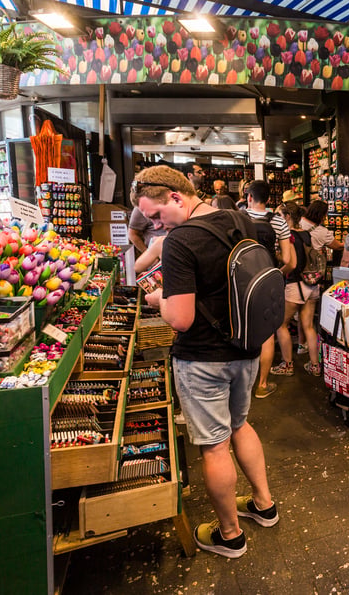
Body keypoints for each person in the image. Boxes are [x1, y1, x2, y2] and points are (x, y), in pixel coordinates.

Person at [131, 166, 278, 559]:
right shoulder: (241, 219)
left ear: (177, 198)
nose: (157, 226)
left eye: (157, 216)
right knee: (241, 424)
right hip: (245, 346)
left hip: (203, 359)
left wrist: (157, 299)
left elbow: (180, 318)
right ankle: (264, 505)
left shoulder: (181, 241)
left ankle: (229, 535)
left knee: (215, 446)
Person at [244, 180, 295, 398]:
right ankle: (262, 385)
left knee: (241, 330)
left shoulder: (237, 217)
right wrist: (275, 271)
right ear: (269, 199)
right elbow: (286, 258)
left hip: (241, 282)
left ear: (248, 197)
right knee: (266, 335)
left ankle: (240, 386)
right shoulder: (278, 221)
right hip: (266, 283)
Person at [273, 202, 321, 377]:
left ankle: (287, 364)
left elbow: (291, 263)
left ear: (286, 217)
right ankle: (315, 365)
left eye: (279, 216)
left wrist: (278, 273)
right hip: (311, 285)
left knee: (281, 324)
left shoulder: (289, 236)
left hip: (295, 286)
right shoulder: (306, 234)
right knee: (308, 326)